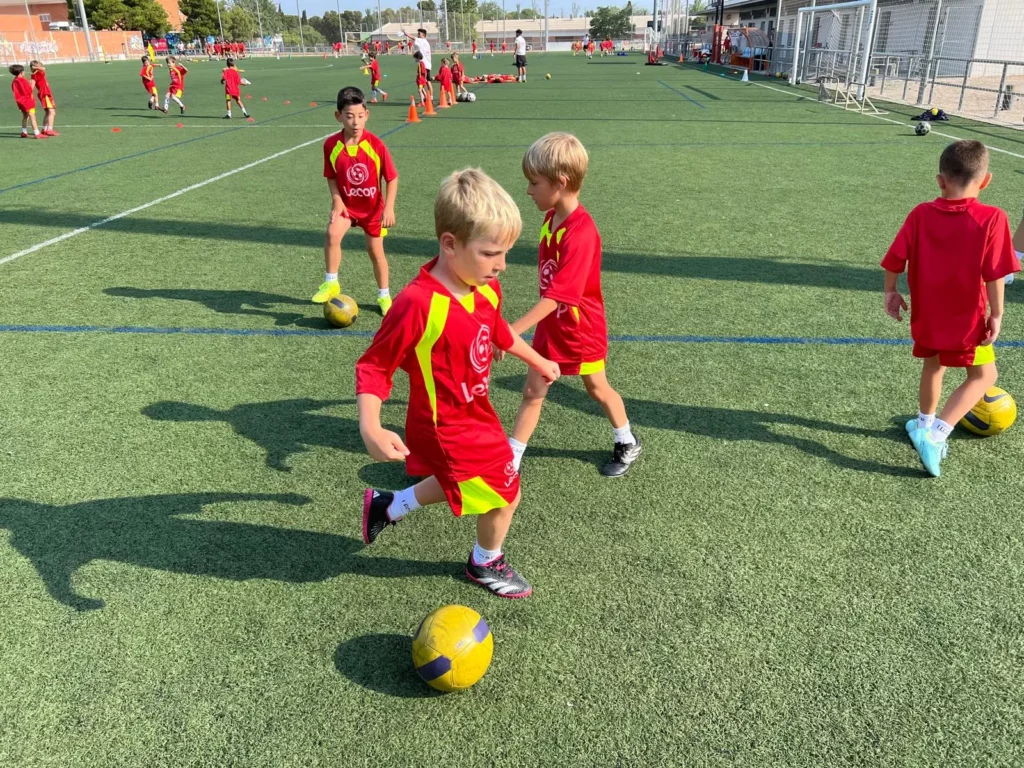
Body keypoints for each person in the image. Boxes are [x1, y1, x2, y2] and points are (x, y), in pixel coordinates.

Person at [356, 168, 560, 599]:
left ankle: (387, 505)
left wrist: (536, 356)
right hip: (446, 425)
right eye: (491, 253)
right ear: (450, 244)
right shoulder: (417, 304)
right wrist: (370, 425)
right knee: (506, 493)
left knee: (461, 480)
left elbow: (498, 330)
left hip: (477, 411)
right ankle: (485, 563)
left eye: (505, 252)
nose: (502, 265)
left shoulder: (484, 286)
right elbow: (374, 366)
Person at [506, 133, 642, 477]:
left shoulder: (582, 233)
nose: (528, 190)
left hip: (581, 331)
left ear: (561, 183)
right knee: (533, 390)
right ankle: (512, 460)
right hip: (551, 327)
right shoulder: (550, 219)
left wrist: (510, 332)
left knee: (597, 387)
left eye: (534, 182)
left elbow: (557, 296)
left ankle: (626, 440)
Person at [882, 140, 1020, 477]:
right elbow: (995, 273)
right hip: (967, 316)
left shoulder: (920, 213)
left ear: (940, 180)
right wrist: (997, 314)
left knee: (933, 367)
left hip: (927, 313)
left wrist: (890, 291)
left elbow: (896, 257)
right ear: (985, 181)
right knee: (986, 375)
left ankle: (922, 424)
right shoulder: (993, 218)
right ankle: (938, 433)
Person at [316, 87, 398, 315]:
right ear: (338, 116)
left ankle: (384, 296)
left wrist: (389, 208)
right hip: (347, 207)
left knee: (375, 253)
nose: (355, 122)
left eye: (360, 116)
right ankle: (331, 282)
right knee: (332, 234)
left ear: (367, 115)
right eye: (349, 116)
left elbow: (392, 178)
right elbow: (331, 176)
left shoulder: (376, 145)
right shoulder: (331, 145)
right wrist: (337, 200)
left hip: (372, 211)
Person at [9, 64, 43, 139]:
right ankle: (37, 133)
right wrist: (31, 83)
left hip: (20, 102)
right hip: (27, 101)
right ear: (21, 72)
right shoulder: (22, 80)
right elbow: (29, 90)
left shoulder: (14, 81)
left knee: (25, 116)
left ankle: (24, 132)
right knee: (32, 116)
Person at [404, 27, 433, 103]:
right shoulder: (426, 42)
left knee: (422, 82)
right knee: (427, 81)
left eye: (419, 33)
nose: (418, 35)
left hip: (424, 64)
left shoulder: (422, 40)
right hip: (428, 64)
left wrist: (406, 33)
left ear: (423, 35)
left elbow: (413, 38)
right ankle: (430, 98)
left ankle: (425, 99)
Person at [29, 60, 57, 136]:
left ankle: (44, 129)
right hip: (45, 94)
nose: (41, 66)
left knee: (48, 112)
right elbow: (43, 69)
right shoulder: (37, 73)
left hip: (45, 94)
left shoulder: (35, 75)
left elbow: (32, 87)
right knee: (52, 112)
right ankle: (49, 130)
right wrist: (36, 67)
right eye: (39, 65)